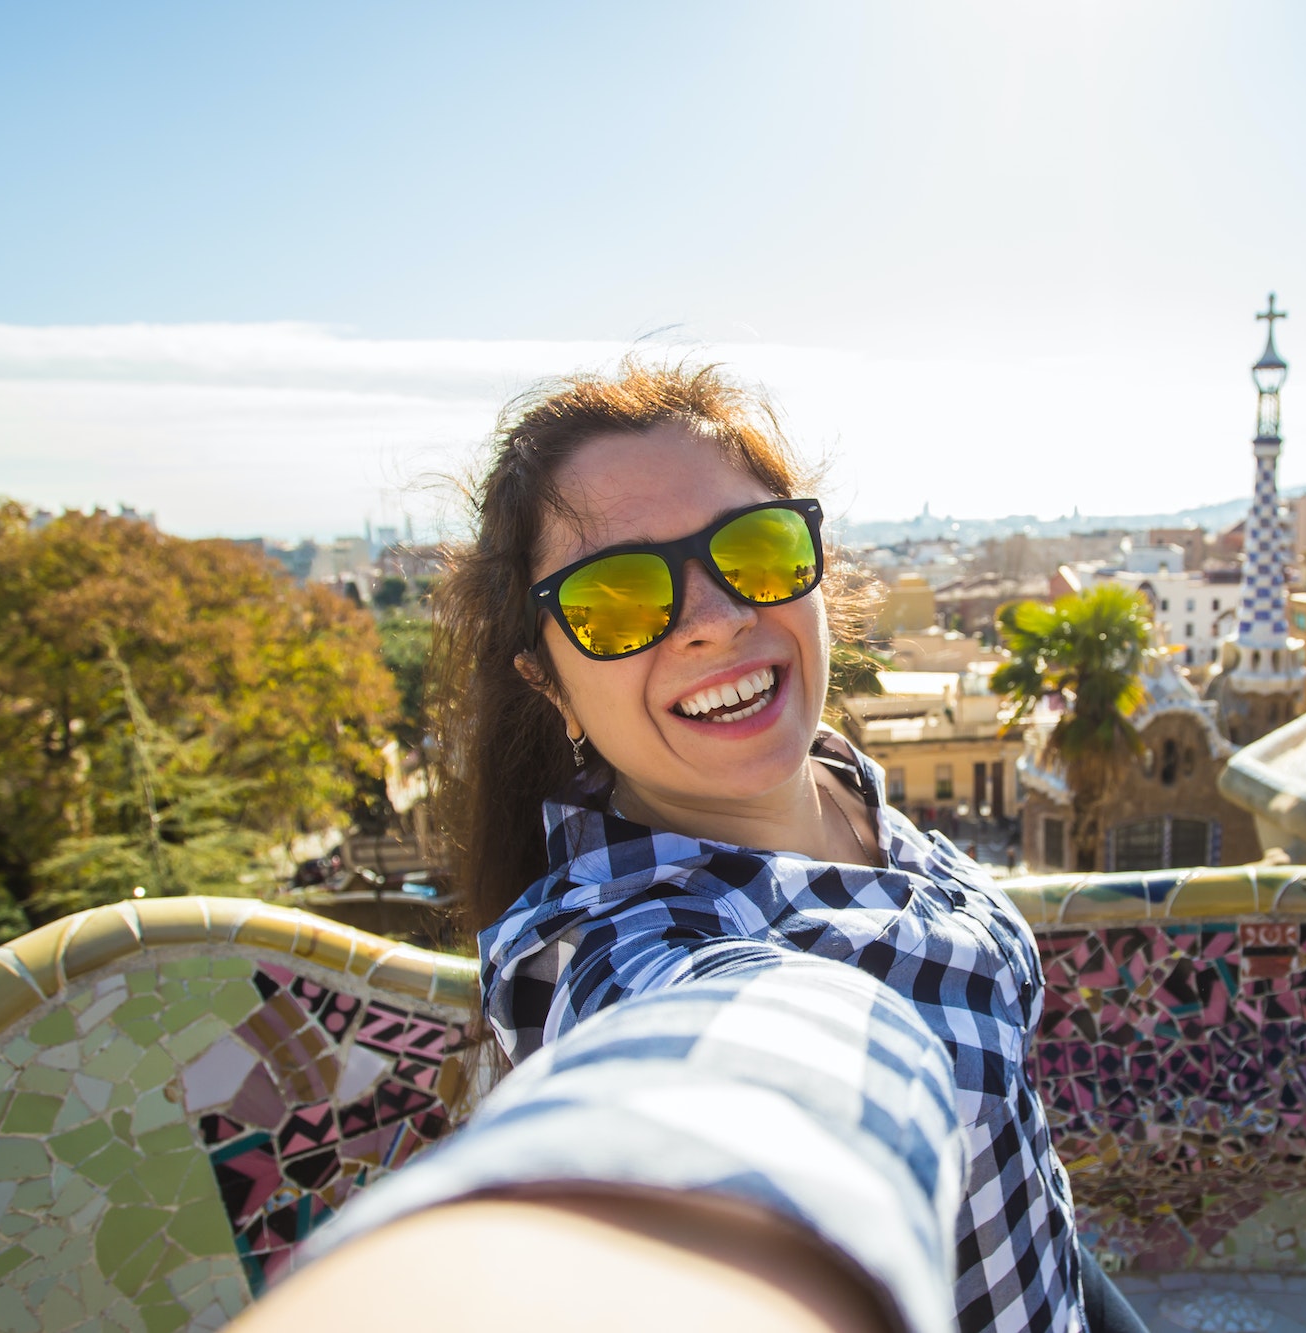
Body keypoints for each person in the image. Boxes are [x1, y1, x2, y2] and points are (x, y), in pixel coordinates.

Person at [235, 362, 1144, 1333]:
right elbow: (739, 1059)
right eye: (617, 600)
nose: (716, 619)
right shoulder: (619, 940)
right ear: (547, 680)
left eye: (752, 550)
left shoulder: (836, 774)